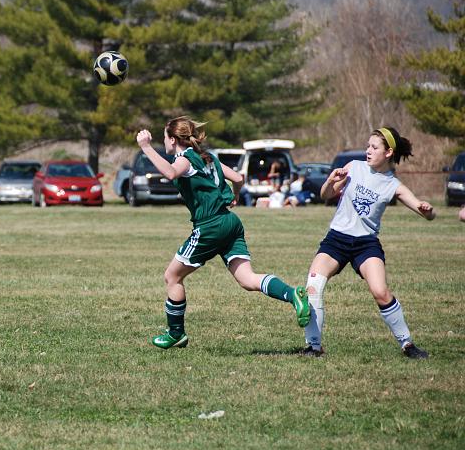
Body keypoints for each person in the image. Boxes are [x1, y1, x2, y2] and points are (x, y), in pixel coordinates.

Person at [136, 116, 310, 349]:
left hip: (210, 226)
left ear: (174, 139)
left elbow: (169, 173)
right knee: (247, 280)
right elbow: (238, 178)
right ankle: (293, 294)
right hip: (230, 221)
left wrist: (146, 147)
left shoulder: (185, 159)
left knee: (172, 277)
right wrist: (236, 194)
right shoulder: (208, 158)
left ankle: (176, 333)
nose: (163, 143)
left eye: (164, 138)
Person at [301, 127, 435, 359]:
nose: (368, 151)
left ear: (388, 152)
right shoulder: (354, 167)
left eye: (374, 147)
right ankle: (313, 347)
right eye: (368, 146)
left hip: (366, 244)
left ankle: (407, 345)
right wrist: (330, 181)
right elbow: (325, 195)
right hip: (336, 239)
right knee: (313, 285)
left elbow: (426, 214)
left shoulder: (394, 185)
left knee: (381, 292)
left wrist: (427, 210)